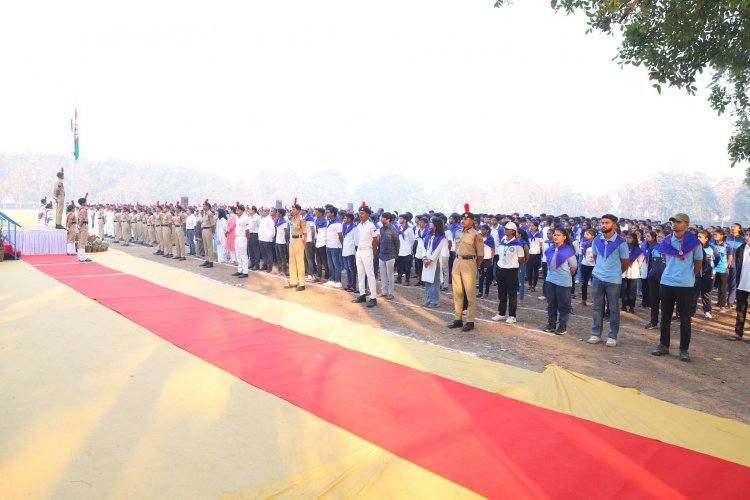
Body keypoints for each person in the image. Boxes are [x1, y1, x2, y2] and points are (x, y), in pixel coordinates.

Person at [651, 213, 703, 362]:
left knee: (685, 319)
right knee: (665, 316)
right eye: (673, 222)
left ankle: (683, 350)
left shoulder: (694, 243)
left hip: (685, 285)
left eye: (678, 222)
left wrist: (688, 275)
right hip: (667, 282)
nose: (674, 224)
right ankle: (663, 345)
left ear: (686, 225)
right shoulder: (667, 240)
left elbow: (698, 263)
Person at [587, 214, 630, 347]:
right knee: (596, 307)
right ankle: (596, 333)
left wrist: (615, 273)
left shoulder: (621, 242)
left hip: (613, 280)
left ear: (614, 225)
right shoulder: (596, 240)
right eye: (602, 223)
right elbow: (595, 257)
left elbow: (625, 262)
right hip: (598, 278)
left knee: (614, 308)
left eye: (607, 223)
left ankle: (612, 336)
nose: (603, 225)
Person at [448, 204, 484, 332]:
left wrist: (475, 267)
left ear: (472, 221)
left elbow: (480, 254)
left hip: (469, 263)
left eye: (466, 219)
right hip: (457, 261)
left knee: (470, 294)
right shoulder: (457, 232)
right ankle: (458, 318)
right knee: (457, 292)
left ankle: (470, 321)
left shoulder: (476, 235)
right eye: (462, 219)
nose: (463, 221)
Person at [542, 228, 578, 335]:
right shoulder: (550, 249)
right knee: (551, 303)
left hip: (563, 281)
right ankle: (551, 323)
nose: (555, 236)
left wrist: (566, 276)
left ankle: (562, 326)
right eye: (555, 234)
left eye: (558, 235)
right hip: (550, 279)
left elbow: (574, 267)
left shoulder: (568, 250)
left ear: (564, 237)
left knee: (563, 304)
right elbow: (548, 264)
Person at [493, 221, 525, 324]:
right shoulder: (502, 240)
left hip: (511, 271)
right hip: (501, 269)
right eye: (505, 229)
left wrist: (516, 267)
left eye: (507, 229)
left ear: (513, 231)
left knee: (512, 294)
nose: (505, 230)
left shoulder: (517, 244)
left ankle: (512, 315)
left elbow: (521, 259)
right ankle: (501, 313)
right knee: (501, 293)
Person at [351, 202, 379, 308]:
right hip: (359, 250)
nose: (360, 215)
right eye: (359, 213)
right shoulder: (359, 225)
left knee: (370, 274)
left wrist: (374, 253)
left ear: (368, 215)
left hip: (368, 251)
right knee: (360, 273)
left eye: (362, 213)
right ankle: (362, 294)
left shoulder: (371, 225)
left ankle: (373, 297)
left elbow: (375, 240)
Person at [729, 228, 750, 341]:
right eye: (746, 234)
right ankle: (738, 333)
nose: (747, 237)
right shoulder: (741, 248)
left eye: (749, 235)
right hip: (742, 283)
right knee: (740, 309)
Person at [422, 216, 448, 308]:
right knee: (428, 280)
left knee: (434, 281)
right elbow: (424, 247)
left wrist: (430, 260)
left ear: (436, 225)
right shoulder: (428, 235)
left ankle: (435, 300)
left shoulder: (441, 237)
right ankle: (429, 299)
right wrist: (424, 258)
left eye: (431, 223)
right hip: (426, 260)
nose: (430, 224)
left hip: (434, 262)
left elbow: (437, 250)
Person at [644, 231, 667, 330]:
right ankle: (653, 322)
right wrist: (650, 274)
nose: (659, 238)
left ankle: (665, 324)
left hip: (666, 280)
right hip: (653, 278)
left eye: (661, 237)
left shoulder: (671, 250)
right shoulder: (653, 249)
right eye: (658, 237)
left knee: (666, 302)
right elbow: (650, 264)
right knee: (654, 301)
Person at [284, 199, 307, 290]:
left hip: (299, 240)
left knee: (300, 263)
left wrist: (303, 245)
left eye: (294, 209)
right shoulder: (292, 219)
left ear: (298, 210)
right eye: (292, 209)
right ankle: (293, 282)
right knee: (292, 262)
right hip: (292, 240)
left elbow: (305, 234)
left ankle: (302, 284)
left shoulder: (302, 220)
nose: (292, 211)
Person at [692, 230, 715, 318]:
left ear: (706, 239)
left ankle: (707, 311)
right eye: (697, 236)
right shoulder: (694, 248)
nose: (698, 238)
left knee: (706, 294)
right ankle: (691, 312)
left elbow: (716, 259)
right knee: (694, 294)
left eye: (700, 237)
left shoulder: (712, 249)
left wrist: (708, 270)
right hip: (696, 275)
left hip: (708, 275)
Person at [378, 212, 400, 300]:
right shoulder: (381, 229)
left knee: (390, 275)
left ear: (388, 220)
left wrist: (395, 254)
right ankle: (384, 291)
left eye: (383, 218)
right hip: (382, 254)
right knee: (382, 274)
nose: (381, 219)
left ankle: (390, 293)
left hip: (390, 255)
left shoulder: (393, 229)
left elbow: (397, 243)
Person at [621, 233, 643, 313]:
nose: (628, 239)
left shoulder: (638, 249)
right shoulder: (623, 247)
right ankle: (623, 306)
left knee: (632, 291)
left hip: (633, 271)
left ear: (634, 239)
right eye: (627, 237)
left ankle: (631, 307)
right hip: (623, 271)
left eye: (630, 238)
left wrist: (632, 265)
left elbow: (640, 262)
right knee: (623, 289)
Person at [324, 207, 343, 288]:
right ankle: (331, 280)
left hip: (336, 246)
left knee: (336, 264)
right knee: (330, 264)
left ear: (333, 213)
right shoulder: (329, 221)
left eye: (328, 212)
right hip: (328, 245)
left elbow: (340, 235)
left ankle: (338, 281)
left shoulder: (337, 223)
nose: (327, 214)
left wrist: (341, 245)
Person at [712, 230, 730, 311]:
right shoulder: (712, 245)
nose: (714, 236)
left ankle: (722, 305)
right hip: (713, 269)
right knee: (710, 288)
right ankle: (708, 307)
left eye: (716, 235)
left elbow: (730, 256)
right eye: (714, 235)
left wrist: (727, 266)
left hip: (723, 270)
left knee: (722, 288)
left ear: (721, 236)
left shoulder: (727, 246)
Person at [727, 223, 743, 308]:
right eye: (732, 226)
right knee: (723, 283)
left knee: (733, 283)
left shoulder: (742, 240)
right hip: (724, 263)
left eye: (735, 227)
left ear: (739, 229)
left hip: (736, 264)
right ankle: (720, 301)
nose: (732, 228)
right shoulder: (727, 237)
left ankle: (730, 301)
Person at [396, 214, 415, 286]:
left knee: (407, 267)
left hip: (407, 251)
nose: (399, 220)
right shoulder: (399, 228)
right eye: (399, 218)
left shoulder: (409, 229)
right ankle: (399, 278)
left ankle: (407, 280)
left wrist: (409, 248)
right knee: (399, 266)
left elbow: (412, 240)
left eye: (401, 218)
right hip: (399, 250)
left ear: (405, 220)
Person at [341, 212, 358, 292]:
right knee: (347, 269)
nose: (344, 219)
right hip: (345, 250)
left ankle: (353, 286)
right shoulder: (344, 227)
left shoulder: (354, 228)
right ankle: (349, 284)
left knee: (352, 269)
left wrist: (355, 252)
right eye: (344, 218)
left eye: (345, 218)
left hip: (351, 251)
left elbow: (356, 242)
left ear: (350, 219)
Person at [579, 228, 596, 306]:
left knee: (595, 283)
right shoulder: (584, 244)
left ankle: (594, 299)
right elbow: (581, 254)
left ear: (593, 236)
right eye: (585, 234)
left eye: (588, 234)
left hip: (594, 266)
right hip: (585, 264)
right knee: (584, 283)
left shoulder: (596, 244)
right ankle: (584, 299)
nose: (586, 235)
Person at [477, 224, 495, 299]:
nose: (482, 231)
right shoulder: (479, 237)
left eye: (484, 229)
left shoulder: (490, 238)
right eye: (481, 229)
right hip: (481, 258)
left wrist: (491, 259)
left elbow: (493, 250)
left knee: (487, 277)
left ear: (487, 230)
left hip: (487, 259)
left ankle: (486, 292)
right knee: (481, 276)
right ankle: (480, 292)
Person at [526, 221, 543, 292]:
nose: (531, 227)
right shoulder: (528, 234)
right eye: (530, 226)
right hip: (529, 254)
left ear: (536, 227)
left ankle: (534, 285)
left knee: (535, 270)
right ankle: (530, 284)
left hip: (537, 254)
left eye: (532, 226)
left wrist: (541, 252)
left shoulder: (539, 235)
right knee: (529, 270)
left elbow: (541, 244)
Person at [76, 194, 92, 262]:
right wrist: (79, 226)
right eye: (86, 201)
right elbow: (82, 219)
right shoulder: (84, 210)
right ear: (83, 203)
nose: (86, 202)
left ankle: (80, 256)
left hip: (81, 225)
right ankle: (82, 257)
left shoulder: (80, 209)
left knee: (80, 241)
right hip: (84, 226)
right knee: (83, 242)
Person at [313, 208, 328, 282]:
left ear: (321, 214)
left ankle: (326, 277)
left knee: (324, 261)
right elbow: (317, 232)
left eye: (317, 212)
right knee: (318, 261)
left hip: (324, 243)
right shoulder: (317, 221)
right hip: (318, 242)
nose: (316, 213)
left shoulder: (326, 221)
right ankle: (319, 276)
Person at [200, 200, 216, 268]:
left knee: (209, 247)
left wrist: (212, 232)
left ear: (208, 207)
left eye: (204, 206)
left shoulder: (210, 214)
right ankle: (207, 260)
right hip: (204, 230)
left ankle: (211, 262)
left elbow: (212, 224)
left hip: (209, 229)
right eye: (203, 205)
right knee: (205, 246)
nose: (203, 207)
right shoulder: (204, 213)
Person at [274, 208, 289, 276]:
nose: (276, 213)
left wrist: (285, 240)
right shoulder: (278, 220)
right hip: (277, 240)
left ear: (280, 214)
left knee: (283, 257)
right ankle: (280, 270)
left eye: (277, 212)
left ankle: (285, 271)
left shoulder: (284, 222)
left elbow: (286, 232)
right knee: (278, 257)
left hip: (282, 241)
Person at [247, 206, 262, 271]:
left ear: (253, 210)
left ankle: (256, 265)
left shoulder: (258, 217)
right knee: (250, 250)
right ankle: (252, 264)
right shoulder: (249, 217)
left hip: (255, 235)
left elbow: (260, 227)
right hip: (249, 234)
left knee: (256, 250)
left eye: (249, 209)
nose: (248, 211)